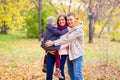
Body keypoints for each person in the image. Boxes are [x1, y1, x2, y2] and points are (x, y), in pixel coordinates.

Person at [45, 13, 84, 80]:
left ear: (74, 19)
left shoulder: (75, 29)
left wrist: (53, 44)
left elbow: (67, 40)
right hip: (66, 54)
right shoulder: (61, 29)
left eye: (70, 19)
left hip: (71, 54)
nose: (69, 21)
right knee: (71, 73)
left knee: (77, 74)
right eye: (68, 20)